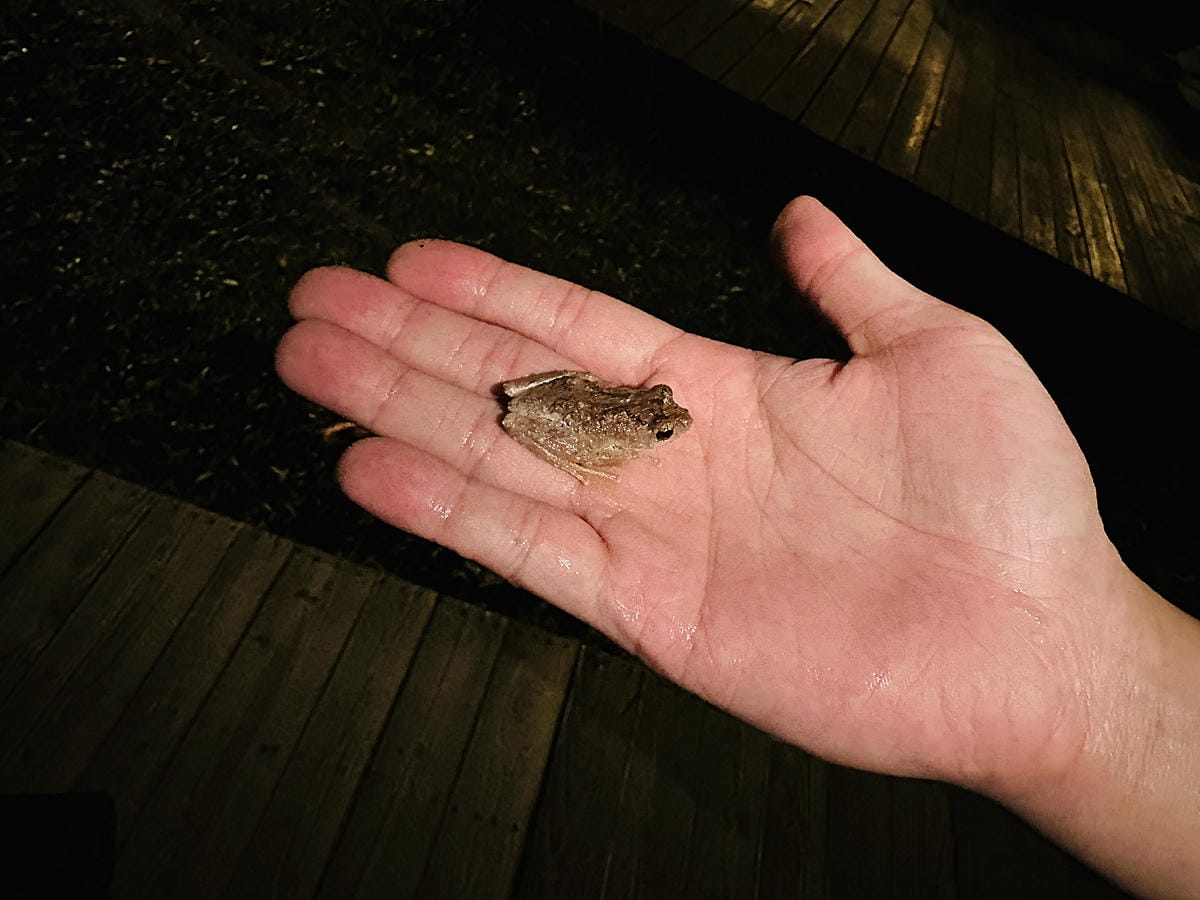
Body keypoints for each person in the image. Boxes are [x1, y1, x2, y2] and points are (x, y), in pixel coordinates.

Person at [276, 196, 1199, 898]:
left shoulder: (656, 419)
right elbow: (601, 422)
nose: (674, 424)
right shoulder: (633, 426)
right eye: (667, 424)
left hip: (569, 400)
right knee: (541, 430)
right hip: (557, 415)